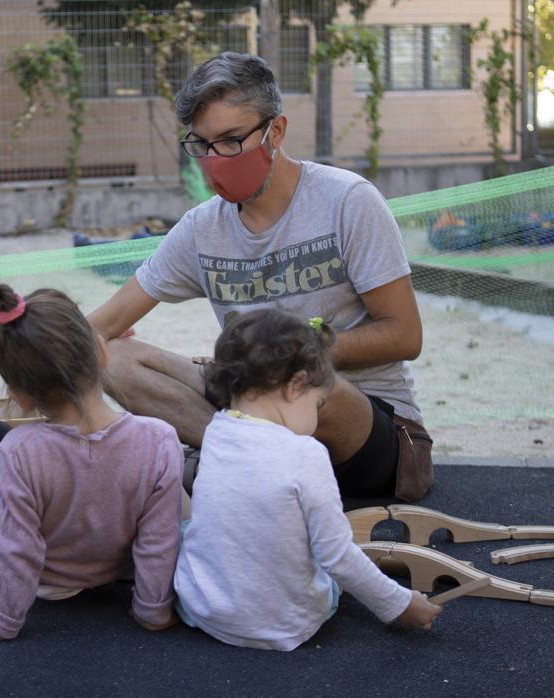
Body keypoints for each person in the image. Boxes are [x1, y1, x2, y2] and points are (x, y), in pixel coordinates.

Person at [87, 52, 433, 501]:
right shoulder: (201, 228)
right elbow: (102, 325)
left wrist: (282, 357)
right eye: (202, 145)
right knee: (114, 355)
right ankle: (237, 458)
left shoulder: (348, 202)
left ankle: (218, 463)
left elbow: (405, 336)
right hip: (247, 403)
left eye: (231, 140)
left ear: (277, 131)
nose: (215, 160)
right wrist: (33, 348)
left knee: (300, 380)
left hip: (364, 427)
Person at [175, 309, 442, 651]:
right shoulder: (305, 453)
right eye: (317, 404)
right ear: (297, 384)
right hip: (285, 625)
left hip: (204, 612)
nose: (316, 415)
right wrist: (400, 604)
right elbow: (337, 557)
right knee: (330, 566)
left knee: (192, 529)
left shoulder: (216, 431)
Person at [0, 284, 183, 646]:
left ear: (17, 394)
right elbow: (159, 539)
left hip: (47, 585)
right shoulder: (160, 439)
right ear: (102, 352)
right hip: (116, 575)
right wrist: (153, 611)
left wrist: (1, 623)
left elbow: (16, 549)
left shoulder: (18, 451)